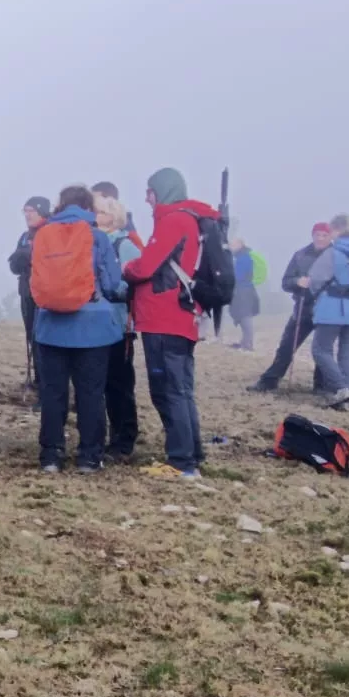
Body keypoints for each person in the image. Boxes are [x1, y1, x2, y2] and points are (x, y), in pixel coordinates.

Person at [121, 168, 221, 480]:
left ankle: (181, 462)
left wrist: (127, 268)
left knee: (168, 390)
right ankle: (191, 453)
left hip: (164, 317)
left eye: (151, 191)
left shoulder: (174, 221)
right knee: (181, 389)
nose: (147, 198)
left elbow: (147, 265)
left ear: (163, 191)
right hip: (179, 317)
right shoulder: (188, 220)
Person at [31, 185, 129, 472]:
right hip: (93, 329)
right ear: (88, 207)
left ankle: (51, 455)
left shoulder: (43, 234)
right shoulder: (97, 237)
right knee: (90, 393)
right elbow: (112, 284)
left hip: (50, 326)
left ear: (60, 205)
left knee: (53, 392)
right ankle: (89, 456)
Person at [248, 224, 334, 393]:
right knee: (287, 346)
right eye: (318, 234)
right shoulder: (300, 255)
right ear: (312, 235)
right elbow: (286, 282)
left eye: (325, 235)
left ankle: (321, 386)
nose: (320, 238)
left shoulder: (336, 256)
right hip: (303, 307)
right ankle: (269, 381)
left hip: (327, 309)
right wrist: (297, 282)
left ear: (331, 237)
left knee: (323, 349)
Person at [92, 192, 142, 461]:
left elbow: (134, 284)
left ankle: (124, 438)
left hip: (119, 325)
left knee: (119, 383)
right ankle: (111, 436)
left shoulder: (124, 245)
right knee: (103, 383)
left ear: (112, 218)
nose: (94, 215)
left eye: (99, 211)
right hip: (98, 323)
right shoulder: (95, 242)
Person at [307, 214, 349, 408]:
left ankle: (341, 389)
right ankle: (347, 393)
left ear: (337, 230)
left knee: (320, 349)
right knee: (348, 352)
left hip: (332, 308)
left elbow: (316, 277)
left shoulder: (333, 252)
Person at [8, 198, 48, 391]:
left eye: (31, 210)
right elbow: (14, 266)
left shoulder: (51, 232)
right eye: (25, 210)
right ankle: (39, 377)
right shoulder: (25, 236)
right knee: (31, 336)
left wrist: (27, 256)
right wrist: (22, 257)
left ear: (42, 210)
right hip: (27, 291)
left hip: (46, 294)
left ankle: (47, 381)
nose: (27, 214)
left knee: (44, 337)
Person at [229, 237, 266, 351]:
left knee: (245, 316)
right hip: (245, 290)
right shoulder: (243, 256)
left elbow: (238, 276)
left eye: (233, 244)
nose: (230, 247)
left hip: (243, 291)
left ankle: (248, 344)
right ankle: (245, 342)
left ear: (240, 244)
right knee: (244, 316)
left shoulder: (243, 257)